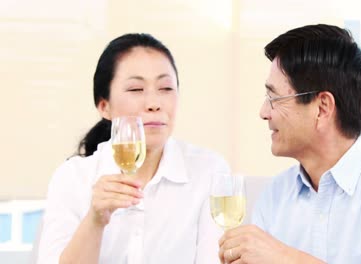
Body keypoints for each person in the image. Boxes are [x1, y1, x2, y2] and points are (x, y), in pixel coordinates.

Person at [218, 24, 361, 264]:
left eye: (274, 98)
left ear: (322, 107)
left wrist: (284, 258)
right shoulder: (275, 196)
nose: (264, 112)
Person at [37, 33, 227, 264]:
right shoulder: (73, 178)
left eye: (166, 88)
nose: (154, 103)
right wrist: (95, 220)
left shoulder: (209, 171)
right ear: (104, 106)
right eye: (136, 89)